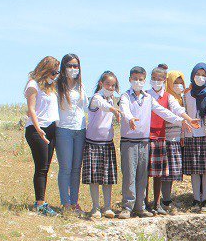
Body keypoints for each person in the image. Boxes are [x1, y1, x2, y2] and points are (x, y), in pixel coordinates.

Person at [117, 66, 189, 218]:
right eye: (135, 79)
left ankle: (140, 207)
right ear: (130, 79)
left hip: (144, 141)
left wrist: (181, 120)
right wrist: (129, 118)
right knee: (130, 174)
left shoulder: (148, 98)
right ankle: (127, 207)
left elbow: (163, 112)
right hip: (129, 140)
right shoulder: (125, 96)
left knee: (143, 175)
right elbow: (124, 109)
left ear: (144, 81)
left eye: (140, 79)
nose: (138, 82)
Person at [148, 64, 192, 214]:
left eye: (160, 79)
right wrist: (182, 121)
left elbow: (177, 110)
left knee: (159, 174)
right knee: (145, 173)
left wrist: (188, 119)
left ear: (164, 80)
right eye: (154, 78)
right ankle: (143, 203)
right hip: (147, 137)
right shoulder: (146, 95)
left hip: (161, 137)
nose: (157, 81)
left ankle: (157, 203)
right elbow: (163, 112)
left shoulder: (169, 97)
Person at [82, 71, 123, 218]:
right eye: (108, 84)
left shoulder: (112, 100)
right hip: (93, 142)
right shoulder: (96, 98)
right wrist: (113, 109)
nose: (111, 87)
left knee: (107, 178)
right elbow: (102, 105)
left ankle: (107, 206)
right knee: (94, 178)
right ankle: (95, 207)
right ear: (101, 84)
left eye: (113, 85)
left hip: (107, 142)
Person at [24, 55, 60, 216]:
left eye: (56, 73)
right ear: (45, 70)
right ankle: (40, 203)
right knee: (41, 166)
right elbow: (31, 109)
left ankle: (41, 200)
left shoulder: (50, 87)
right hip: (37, 129)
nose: (55, 76)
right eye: (53, 72)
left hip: (51, 128)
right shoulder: (33, 85)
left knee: (46, 167)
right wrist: (39, 130)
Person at [183, 63, 206, 212]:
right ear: (192, 75)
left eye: (204, 75)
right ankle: (196, 199)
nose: (201, 78)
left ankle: (205, 200)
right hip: (192, 135)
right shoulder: (187, 94)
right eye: (198, 74)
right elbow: (184, 112)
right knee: (195, 170)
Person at [55, 53, 87, 214]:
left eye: (76, 66)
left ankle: (75, 202)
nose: (73, 69)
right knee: (65, 167)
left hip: (79, 129)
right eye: (70, 66)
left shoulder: (81, 86)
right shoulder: (57, 86)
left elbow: (86, 107)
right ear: (63, 68)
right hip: (64, 129)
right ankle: (65, 202)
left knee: (76, 168)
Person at [161, 69, 187, 212]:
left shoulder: (182, 98)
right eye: (175, 82)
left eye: (180, 82)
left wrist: (182, 136)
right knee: (165, 173)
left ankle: (167, 199)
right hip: (167, 139)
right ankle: (164, 200)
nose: (178, 85)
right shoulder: (167, 98)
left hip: (177, 139)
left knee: (171, 173)